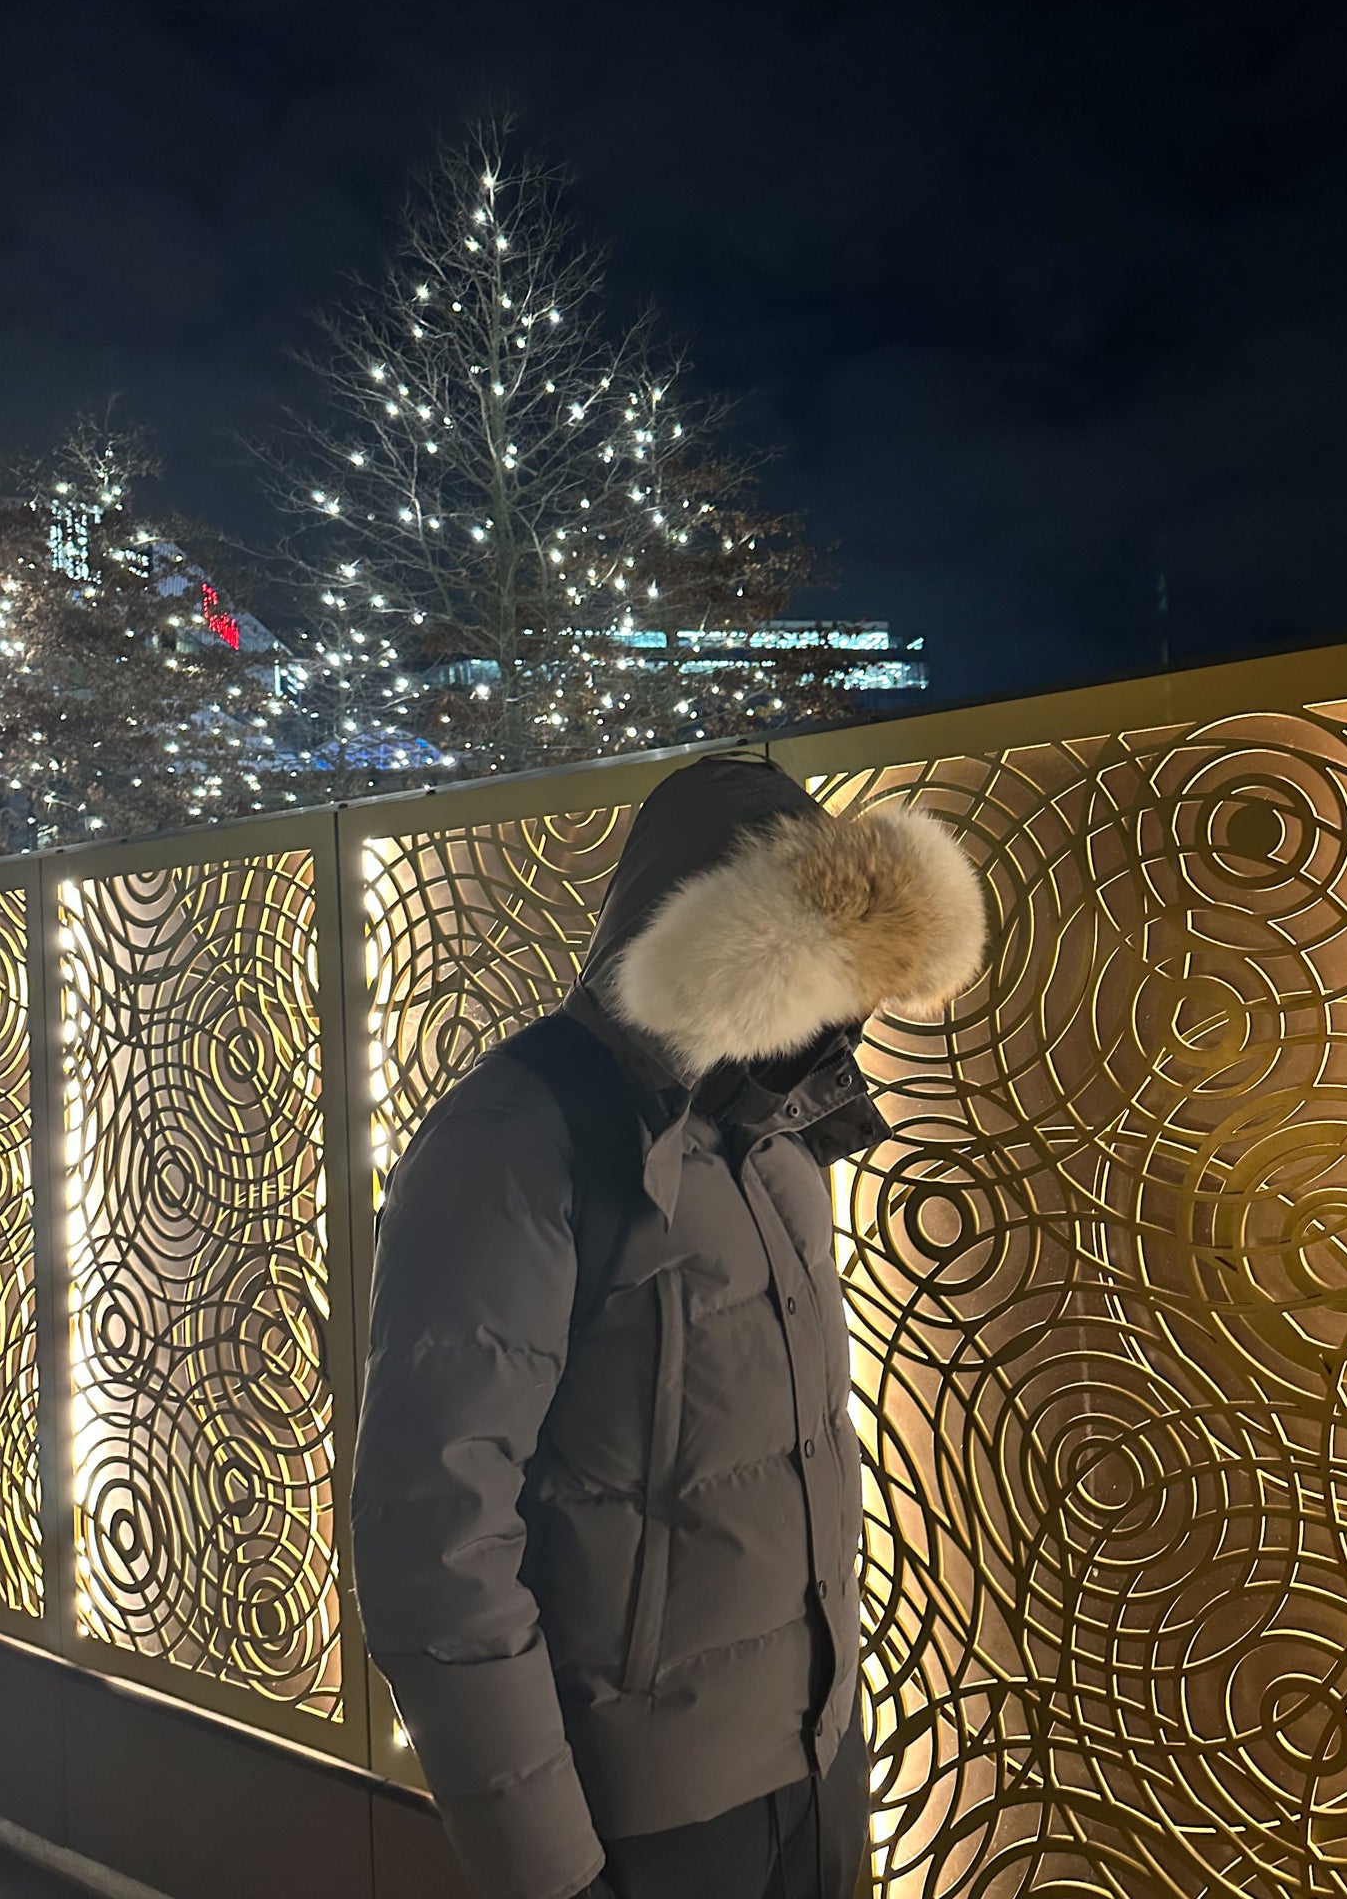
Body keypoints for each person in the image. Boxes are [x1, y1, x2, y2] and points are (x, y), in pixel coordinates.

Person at [348, 751, 988, 1899]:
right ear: (716, 946)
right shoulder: (518, 1137)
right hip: (639, 1820)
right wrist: (549, 1870)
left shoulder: (784, 1140)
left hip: (817, 1769)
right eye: (803, 966)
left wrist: (833, 1740)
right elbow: (436, 1538)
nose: (834, 1010)